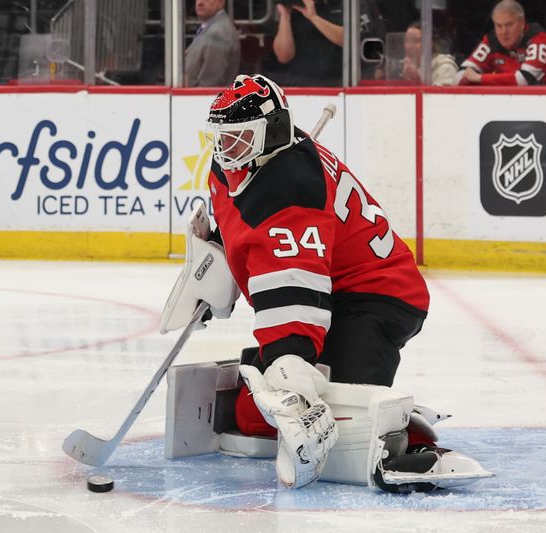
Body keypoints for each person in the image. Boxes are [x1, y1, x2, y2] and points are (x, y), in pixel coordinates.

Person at [161, 74, 491, 491]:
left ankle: (407, 435)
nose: (228, 150)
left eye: (240, 138)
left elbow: (296, 295)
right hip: (335, 288)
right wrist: (217, 251)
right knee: (251, 414)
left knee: (339, 423)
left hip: (379, 296)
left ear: (273, 132)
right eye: (222, 138)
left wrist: (289, 359)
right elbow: (246, 226)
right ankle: (350, 400)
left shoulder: (294, 188)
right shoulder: (239, 164)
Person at [457, 0, 546, 86]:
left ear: (522, 23)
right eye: (499, 25)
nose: (503, 31)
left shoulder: (539, 39)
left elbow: (525, 79)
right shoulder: (491, 41)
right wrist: (468, 78)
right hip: (527, 104)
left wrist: (479, 78)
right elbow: (461, 75)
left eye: (509, 25)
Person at [271, 0, 344, 86]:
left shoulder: (343, 5)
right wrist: (285, 16)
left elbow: (346, 40)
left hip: (336, 83)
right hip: (299, 83)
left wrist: (313, 17)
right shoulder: (295, 9)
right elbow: (284, 56)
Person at [184, 0, 240, 87]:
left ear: (221, 2)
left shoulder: (218, 34)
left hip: (203, 99)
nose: (199, 2)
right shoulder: (211, 28)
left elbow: (210, 83)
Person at [395, 21, 458, 86]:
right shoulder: (401, 66)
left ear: (430, 44)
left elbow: (441, 95)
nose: (409, 46)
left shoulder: (445, 67)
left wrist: (416, 80)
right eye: (407, 40)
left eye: (415, 41)